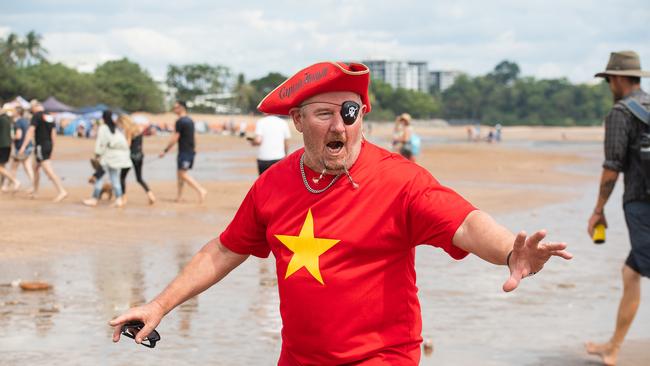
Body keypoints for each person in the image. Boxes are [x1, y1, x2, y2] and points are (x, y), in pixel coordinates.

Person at [110, 62, 572, 365]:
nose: (340, 125)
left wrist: (509, 252)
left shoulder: (399, 180)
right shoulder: (272, 185)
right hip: (299, 357)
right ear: (298, 121)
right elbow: (226, 249)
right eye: (324, 114)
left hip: (382, 357)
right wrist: (158, 305)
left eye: (349, 112)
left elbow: (466, 222)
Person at [585, 51, 650, 366]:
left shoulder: (620, 113)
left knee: (637, 271)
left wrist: (598, 210)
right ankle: (613, 347)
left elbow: (612, 167)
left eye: (610, 79)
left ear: (619, 78)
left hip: (642, 205)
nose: (609, 84)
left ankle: (613, 348)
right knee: (631, 272)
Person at [17, 100, 67, 202]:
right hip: (47, 145)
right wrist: (52, 147)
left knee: (48, 170)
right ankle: (35, 191)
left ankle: (62, 191)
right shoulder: (49, 116)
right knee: (35, 168)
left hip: (41, 146)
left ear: (34, 107)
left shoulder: (36, 116)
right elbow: (53, 133)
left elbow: (30, 131)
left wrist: (23, 146)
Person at [159, 101, 207, 203]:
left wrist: (165, 150)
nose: (174, 109)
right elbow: (193, 136)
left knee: (182, 174)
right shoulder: (190, 120)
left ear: (181, 108)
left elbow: (175, 137)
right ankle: (179, 196)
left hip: (185, 151)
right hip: (187, 150)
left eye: (175, 107)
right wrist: (194, 148)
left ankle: (201, 190)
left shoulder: (180, 121)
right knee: (179, 174)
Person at [83, 110, 132, 207]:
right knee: (115, 178)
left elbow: (101, 142)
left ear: (103, 118)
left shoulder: (103, 128)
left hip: (109, 156)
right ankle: (119, 199)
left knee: (99, 177)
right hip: (119, 157)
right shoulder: (116, 128)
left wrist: (97, 154)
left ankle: (94, 198)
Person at [117, 114, 156, 205]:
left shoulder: (128, 130)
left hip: (131, 157)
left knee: (122, 177)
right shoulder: (138, 128)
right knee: (139, 178)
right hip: (140, 155)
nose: (120, 126)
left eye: (120, 124)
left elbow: (128, 145)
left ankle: (124, 198)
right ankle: (150, 195)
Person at [4, 106, 34, 191]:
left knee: (13, 168)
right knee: (27, 167)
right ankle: (33, 185)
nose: (12, 112)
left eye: (13, 111)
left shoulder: (17, 123)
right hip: (28, 146)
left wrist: (10, 137)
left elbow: (18, 135)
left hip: (21, 148)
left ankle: (9, 185)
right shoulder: (25, 121)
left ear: (17, 113)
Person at [0, 104, 20, 191]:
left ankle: (15, 181)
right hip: (8, 145)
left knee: (1, 167)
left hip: (1, 145)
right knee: (2, 166)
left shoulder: (1, 119)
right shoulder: (9, 119)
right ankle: (3, 186)